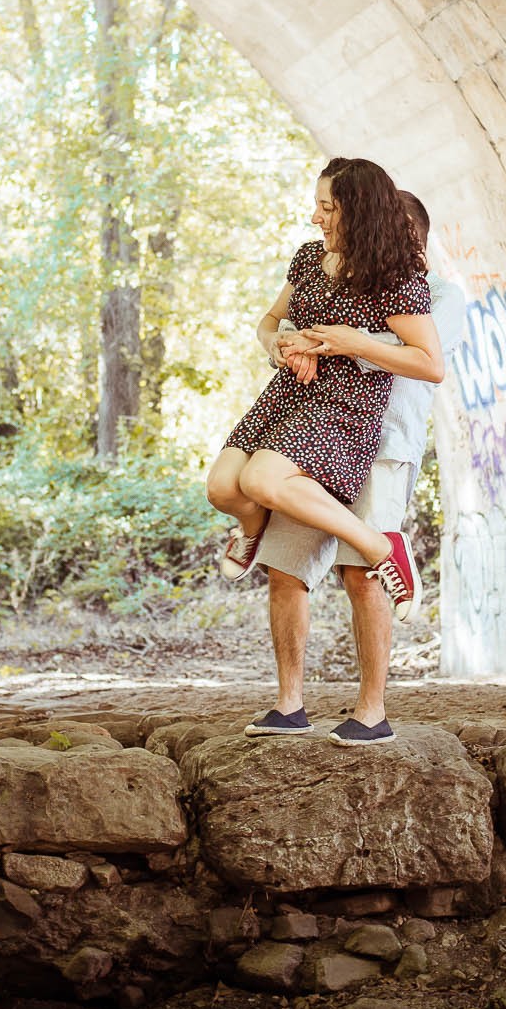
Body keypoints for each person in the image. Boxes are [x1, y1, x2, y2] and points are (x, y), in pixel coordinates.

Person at [205, 158, 442, 713]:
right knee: (224, 488)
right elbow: (270, 322)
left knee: (266, 480)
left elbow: (430, 364)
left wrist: (347, 341)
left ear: (357, 211)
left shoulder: (397, 276)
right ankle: (255, 535)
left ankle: (379, 549)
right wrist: (283, 345)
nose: (314, 216)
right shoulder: (310, 257)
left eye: (327, 207)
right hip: (288, 396)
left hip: (345, 409)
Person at [241, 190, 465, 746]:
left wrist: (342, 343)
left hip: (386, 444)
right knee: (286, 566)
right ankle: (289, 704)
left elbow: (420, 359)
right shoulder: (347, 280)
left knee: (361, 575)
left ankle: (372, 712)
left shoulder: (441, 295)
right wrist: (291, 344)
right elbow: (285, 323)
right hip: (320, 434)